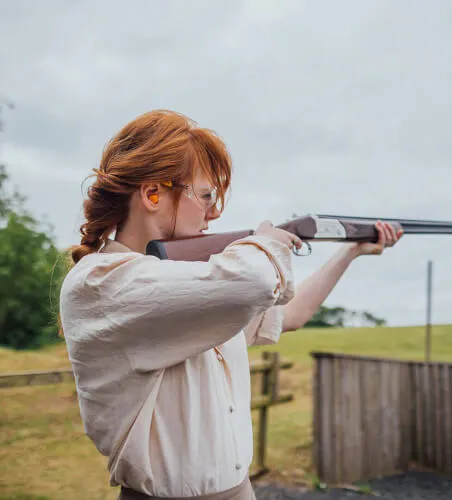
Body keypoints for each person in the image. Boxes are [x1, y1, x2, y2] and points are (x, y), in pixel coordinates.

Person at [58, 109, 403, 500]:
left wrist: (351, 251)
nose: (215, 212)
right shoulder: (101, 283)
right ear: (153, 194)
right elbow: (254, 278)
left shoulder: (195, 282)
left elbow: (290, 315)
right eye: (205, 195)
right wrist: (269, 240)